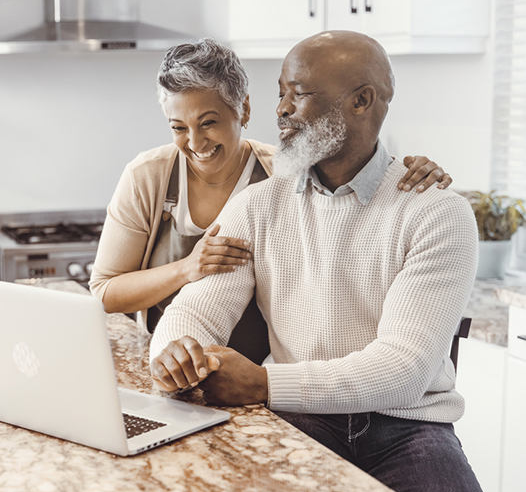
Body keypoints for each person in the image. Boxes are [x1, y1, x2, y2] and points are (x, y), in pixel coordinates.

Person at [148, 31, 483, 492]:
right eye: (280, 93)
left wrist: (265, 384)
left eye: (299, 94)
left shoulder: (436, 212)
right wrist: (173, 352)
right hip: (300, 418)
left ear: (362, 101)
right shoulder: (257, 206)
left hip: (407, 430)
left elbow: (404, 370)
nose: (282, 109)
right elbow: (198, 308)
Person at [89, 37, 452, 365]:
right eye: (178, 127)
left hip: (260, 371)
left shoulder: (281, 176)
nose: (196, 142)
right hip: (173, 354)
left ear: (244, 111)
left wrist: (402, 171)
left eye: (209, 122)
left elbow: (351, 165)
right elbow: (106, 292)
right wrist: (187, 270)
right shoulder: (149, 176)